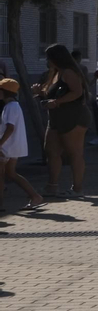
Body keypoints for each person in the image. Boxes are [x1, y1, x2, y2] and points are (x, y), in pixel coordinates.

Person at [32, 44, 90, 197]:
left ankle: (77, 189)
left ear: (56, 58)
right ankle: (52, 186)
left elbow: (77, 92)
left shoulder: (69, 72)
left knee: (74, 153)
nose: (47, 60)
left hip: (73, 117)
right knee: (51, 150)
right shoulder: (55, 73)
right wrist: (40, 93)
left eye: (49, 57)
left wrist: (57, 102)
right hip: (56, 119)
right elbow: (51, 95)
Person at [0, 78, 44, 211]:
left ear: (5, 92)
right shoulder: (13, 106)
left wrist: (0, 144)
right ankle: (35, 196)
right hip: (11, 146)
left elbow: (10, 128)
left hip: (7, 146)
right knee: (11, 173)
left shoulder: (10, 107)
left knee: (1, 176)